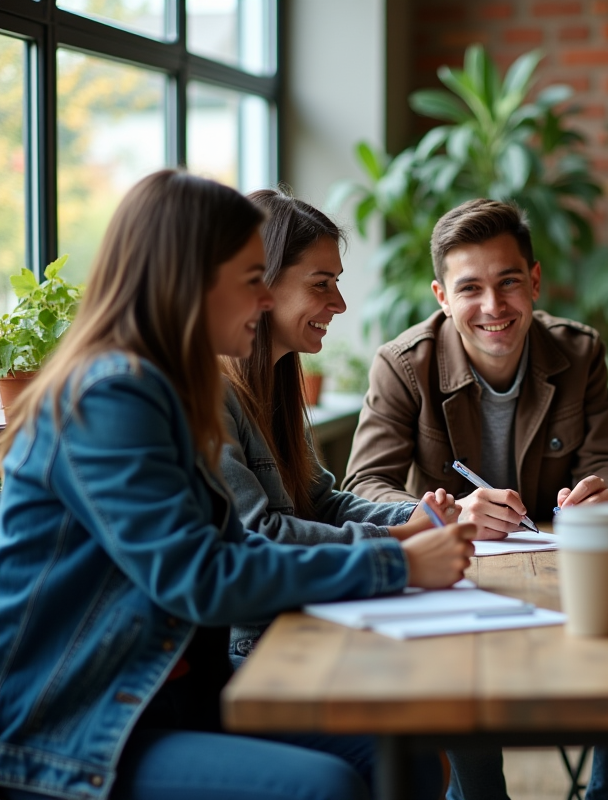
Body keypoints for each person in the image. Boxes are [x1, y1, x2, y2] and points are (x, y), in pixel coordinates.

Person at [0, 170, 474, 800]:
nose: (263, 301)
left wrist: (398, 547)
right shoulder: (110, 396)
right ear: (191, 279)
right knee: (327, 785)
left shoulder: (168, 391)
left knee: (402, 752)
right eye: (252, 281)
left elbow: (238, 548)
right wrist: (395, 564)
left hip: (162, 695)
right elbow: (201, 574)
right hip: (71, 727)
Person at [342, 198, 608, 800]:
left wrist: (601, 494)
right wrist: (445, 513)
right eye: (470, 289)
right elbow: (362, 488)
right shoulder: (403, 366)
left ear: (534, 281)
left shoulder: (581, 351)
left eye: (509, 282)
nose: (493, 307)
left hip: (565, 572)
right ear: (440, 296)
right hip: (459, 579)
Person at [219, 187, 458, 663]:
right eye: (321, 284)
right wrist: (399, 544)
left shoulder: (276, 387)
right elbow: (262, 536)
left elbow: (320, 502)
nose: (341, 304)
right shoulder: (212, 397)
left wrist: (409, 516)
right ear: (261, 283)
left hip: (302, 619)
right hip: (256, 651)